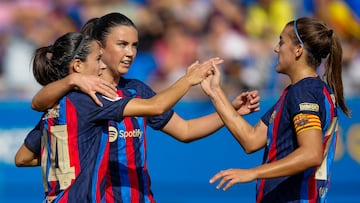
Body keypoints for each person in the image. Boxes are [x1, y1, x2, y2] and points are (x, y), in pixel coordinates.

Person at [27, 12, 261, 202]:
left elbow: (186, 130)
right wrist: (188, 79)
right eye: (122, 44)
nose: (130, 53)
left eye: (134, 45)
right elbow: (28, 148)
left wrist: (230, 112)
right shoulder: (80, 99)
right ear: (99, 46)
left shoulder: (136, 89)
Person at [202, 17, 351, 203]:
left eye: (281, 41)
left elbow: (311, 154)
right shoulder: (298, 92)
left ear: (298, 50)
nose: (276, 48)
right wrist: (215, 92)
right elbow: (251, 140)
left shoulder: (304, 92)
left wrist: (252, 173)